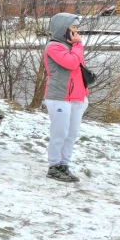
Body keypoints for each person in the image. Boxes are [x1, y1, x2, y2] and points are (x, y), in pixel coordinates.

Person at [43, 13, 88, 183]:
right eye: (73, 28)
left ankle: (64, 164)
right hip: (59, 96)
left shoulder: (71, 47)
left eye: (77, 28)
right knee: (59, 133)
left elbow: (79, 67)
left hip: (77, 97)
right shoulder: (53, 47)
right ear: (63, 29)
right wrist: (77, 46)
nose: (76, 32)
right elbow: (71, 64)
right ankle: (54, 166)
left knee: (71, 134)